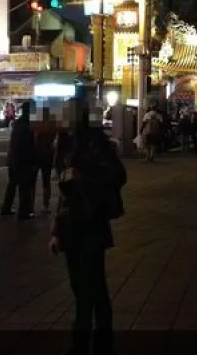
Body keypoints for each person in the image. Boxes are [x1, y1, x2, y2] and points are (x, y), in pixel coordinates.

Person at [49, 107, 125, 355]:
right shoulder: (64, 144)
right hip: (70, 224)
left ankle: (102, 342)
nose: (65, 119)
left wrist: (85, 176)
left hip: (92, 221)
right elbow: (63, 194)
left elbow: (118, 175)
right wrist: (55, 231)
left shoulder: (96, 143)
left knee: (96, 287)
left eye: (69, 114)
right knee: (79, 287)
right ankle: (79, 343)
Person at [0, 102, 36, 220]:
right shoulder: (26, 125)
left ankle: (6, 208)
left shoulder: (19, 123)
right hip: (22, 159)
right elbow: (27, 145)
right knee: (24, 186)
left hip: (13, 158)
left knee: (12, 184)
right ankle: (23, 212)